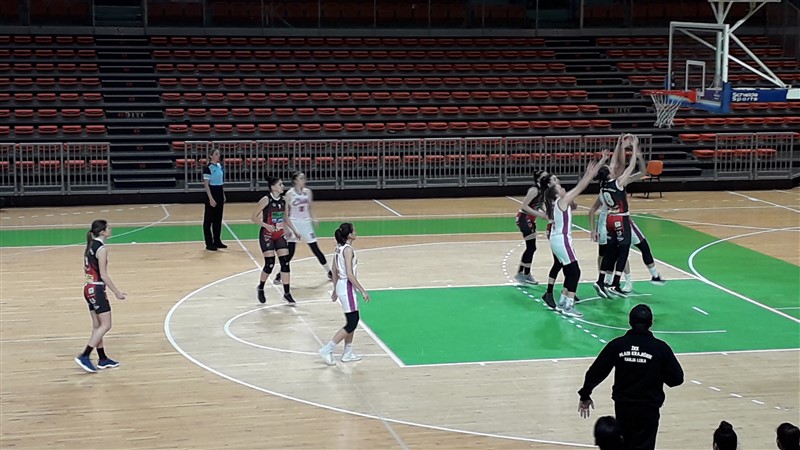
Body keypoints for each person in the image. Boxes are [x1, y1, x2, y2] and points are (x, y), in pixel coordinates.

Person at [578, 304, 684, 450]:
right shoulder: (660, 348)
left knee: (623, 444)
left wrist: (585, 394)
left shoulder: (617, 345)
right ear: (651, 323)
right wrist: (657, 370)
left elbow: (597, 371)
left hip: (623, 407)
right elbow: (677, 379)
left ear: (630, 321)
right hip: (649, 409)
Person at [543, 154, 607, 318]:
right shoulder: (562, 201)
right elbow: (580, 187)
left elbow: (578, 188)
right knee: (575, 271)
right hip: (561, 239)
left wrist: (594, 169)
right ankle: (569, 306)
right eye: (559, 188)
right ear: (557, 195)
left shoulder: (558, 202)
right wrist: (590, 174)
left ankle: (563, 301)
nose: (562, 188)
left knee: (570, 271)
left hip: (557, 240)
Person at [75, 219, 127, 373]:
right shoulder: (102, 249)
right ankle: (85, 355)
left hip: (87, 287)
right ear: (103, 231)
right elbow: (103, 275)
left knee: (97, 326)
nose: (111, 229)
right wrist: (116, 292)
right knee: (106, 325)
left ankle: (103, 359)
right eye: (108, 228)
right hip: (97, 289)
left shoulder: (90, 245)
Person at [592, 134, 640, 298]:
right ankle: (616, 283)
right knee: (623, 251)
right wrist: (634, 147)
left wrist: (619, 145)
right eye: (610, 169)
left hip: (609, 220)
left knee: (610, 252)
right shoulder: (617, 183)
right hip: (619, 218)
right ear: (609, 174)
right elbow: (630, 166)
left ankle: (602, 280)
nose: (613, 168)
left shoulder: (603, 185)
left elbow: (612, 165)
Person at [319, 223, 370, 366]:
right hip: (347, 286)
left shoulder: (338, 248)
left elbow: (334, 270)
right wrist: (362, 290)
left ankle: (348, 352)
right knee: (352, 322)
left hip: (342, 286)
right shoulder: (348, 250)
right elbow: (349, 274)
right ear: (349, 235)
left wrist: (336, 289)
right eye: (354, 230)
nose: (356, 232)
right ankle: (327, 349)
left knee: (352, 320)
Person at [273, 172, 332, 286]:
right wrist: (286, 228)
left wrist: (314, 218)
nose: (304, 180)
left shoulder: (308, 192)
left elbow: (310, 208)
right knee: (290, 253)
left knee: (315, 249)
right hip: (294, 223)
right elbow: (285, 213)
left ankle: (329, 272)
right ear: (295, 180)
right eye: (301, 178)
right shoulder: (289, 194)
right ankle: (279, 275)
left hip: (306, 224)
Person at [252, 177, 298, 306]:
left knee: (285, 263)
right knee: (270, 264)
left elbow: (285, 217)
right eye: (280, 184)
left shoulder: (284, 200)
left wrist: (294, 230)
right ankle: (261, 287)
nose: (283, 186)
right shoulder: (266, 200)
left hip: (279, 234)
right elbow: (253, 218)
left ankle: (287, 293)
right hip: (267, 235)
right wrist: (266, 225)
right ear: (273, 187)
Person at [513, 170, 552, 285]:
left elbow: (539, 204)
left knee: (531, 247)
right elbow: (524, 206)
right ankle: (523, 274)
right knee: (531, 247)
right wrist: (539, 214)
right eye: (544, 176)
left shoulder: (544, 190)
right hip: (524, 218)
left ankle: (523, 273)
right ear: (539, 179)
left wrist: (546, 213)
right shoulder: (534, 190)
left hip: (530, 219)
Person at [202, 149, 226, 251]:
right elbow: (206, 185)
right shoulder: (207, 168)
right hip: (212, 192)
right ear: (211, 156)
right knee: (208, 220)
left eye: (219, 153)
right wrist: (211, 198)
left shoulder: (219, 166)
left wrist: (223, 194)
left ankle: (217, 240)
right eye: (216, 154)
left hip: (219, 191)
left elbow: (221, 182)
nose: (218, 155)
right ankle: (209, 243)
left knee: (218, 219)